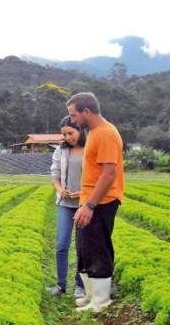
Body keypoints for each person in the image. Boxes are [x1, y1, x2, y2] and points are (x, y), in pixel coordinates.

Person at [66, 91, 125, 312]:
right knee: (85, 247)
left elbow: (109, 174)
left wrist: (90, 205)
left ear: (86, 111)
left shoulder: (106, 134)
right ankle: (91, 296)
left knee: (98, 246)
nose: (72, 120)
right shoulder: (94, 132)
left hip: (102, 201)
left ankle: (101, 301)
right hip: (89, 199)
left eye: (74, 115)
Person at [46, 115, 87, 300]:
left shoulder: (89, 149)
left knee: (82, 247)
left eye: (70, 133)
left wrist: (80, 194)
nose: (67, 137)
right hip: (64, 203)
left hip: (83, 204)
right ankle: (61, 285)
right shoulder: (60, 151)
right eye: (64, 134)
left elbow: (95, 178)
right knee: (62, 245)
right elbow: (54, 174)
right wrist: (60, 189)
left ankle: (80, 285)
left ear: (80, 130)